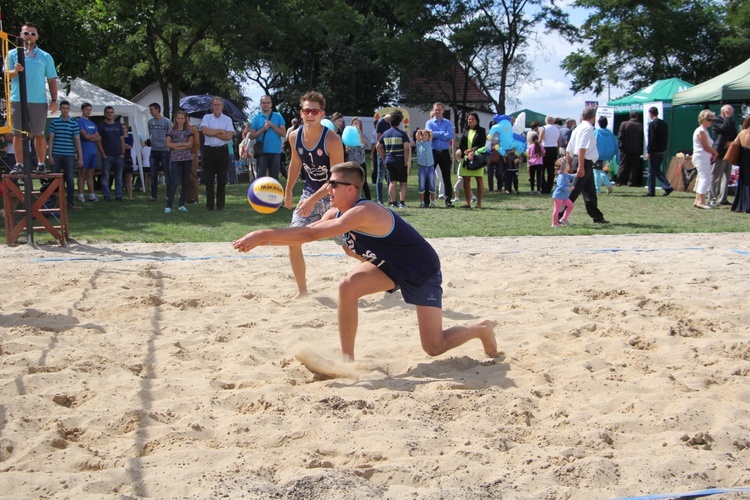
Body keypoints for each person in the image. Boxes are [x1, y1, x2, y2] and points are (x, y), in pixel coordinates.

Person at [233, 162, 499, 362]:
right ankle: (347, 360)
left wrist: (262, 234)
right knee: (347, 286)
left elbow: (310, 233)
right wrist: (259, 240)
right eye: (328, 184)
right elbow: (304, 236)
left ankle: (481, 328)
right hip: (389, 265)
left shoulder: (364, 211)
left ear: (350, 188)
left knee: (433, 347)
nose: (328, 189)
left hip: (420, 269)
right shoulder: (335, 212)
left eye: (333, 184)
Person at [283, 91, 345, 298]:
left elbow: (336, 178)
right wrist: (289, 190)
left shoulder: (333, 140)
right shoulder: (294, 136)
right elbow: (295, 163)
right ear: (301, 113)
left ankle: (388, 271)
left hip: (335, 198)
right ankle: (302, 292)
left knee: (351, 248)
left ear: (322, 114)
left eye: (314, 111)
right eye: (306, 110)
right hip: (309, 193)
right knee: (294, 240)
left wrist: (313, 199)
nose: (310, 114)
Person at [6, 22, 58, 174]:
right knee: (17, 133)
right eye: (26, 33)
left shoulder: (45, 56)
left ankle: (41, 164)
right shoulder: (11, 54)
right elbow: (6, 75)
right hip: (17, 99)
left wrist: (54, 101)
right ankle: (19, 164)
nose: (29, 36)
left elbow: (52, 80)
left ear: (37, 37)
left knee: (39, 134)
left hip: (38, 101)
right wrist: (15, 70)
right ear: (20, 35)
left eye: (33, 34)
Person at [561, 106, 608, 224]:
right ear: (593, 117)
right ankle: (559, 214)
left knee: (590, 191)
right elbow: (582, 148)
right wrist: (580, 167)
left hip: (581, 161)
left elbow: (569, 149)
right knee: (574, 190)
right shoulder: (588, 129)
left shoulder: (578, 128)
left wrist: (570, 164)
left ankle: (597, 216)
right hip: (583, 162)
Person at [200, 96, 235, 211]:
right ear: (211, 106)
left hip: (222, 150)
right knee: (209, 178)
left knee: (222, 179)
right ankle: (209, 205)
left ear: (222, 106)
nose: (217, 107)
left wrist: (212, 133)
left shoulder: (227, 120)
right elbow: (205, 131)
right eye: (214, 105)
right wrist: (220, 131)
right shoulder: (206, 117)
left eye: (218, 105)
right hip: (209, 150)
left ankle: (221, 205)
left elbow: (228, 136)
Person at [47, 100, 83, 209]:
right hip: (56, 153)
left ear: (69, 109)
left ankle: (70, 202)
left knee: (70, 179)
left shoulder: (73, 123)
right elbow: (51, 140)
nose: (65, 110)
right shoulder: (54, 123)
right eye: (63, 108)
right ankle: (52, 202)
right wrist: (50, 155)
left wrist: (80, 157)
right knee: (54, 178)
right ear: (60, 109)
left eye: (67, 108)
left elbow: (77, 141)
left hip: (69, 154)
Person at [377, 109, 411, 208]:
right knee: (403, 182)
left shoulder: (385, 133)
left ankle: (393, 202)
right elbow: (406, 148)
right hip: (400, 160)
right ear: (400, 121)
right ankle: (402, 202)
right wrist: (406, 160)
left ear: (389, 121)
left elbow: (378, 146)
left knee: (392, 182)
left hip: (389, 160)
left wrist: (384, 158)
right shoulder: (403, 134)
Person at [250, 95, 286, 180]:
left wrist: (272, 125)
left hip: (275, 151)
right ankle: (259, 193)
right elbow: (251, 136)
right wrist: (262, 129)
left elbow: (284, 133)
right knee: (260, 178)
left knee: (275, 178)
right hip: (262, 152)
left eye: (268, 103)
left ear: (271, 104)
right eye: (263, 103)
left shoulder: (278, 116)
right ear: (260, 104)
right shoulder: (256, 118)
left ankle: (275, 193)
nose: (266, 104)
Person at [455, 112, 487, 208]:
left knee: (479, 180)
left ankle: (479, 203)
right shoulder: (465, 130)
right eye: (469, 119)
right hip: (466, 157)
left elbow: (482, 144)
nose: (470, 121)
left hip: (477, 157)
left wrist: (472, 150)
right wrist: (466, 151)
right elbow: (462, 144)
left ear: (477, 120)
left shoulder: (481, 130)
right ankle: (467, 202)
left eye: (472, 119)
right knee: (466, 180)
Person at [426, 102, 455, 207]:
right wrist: (442, 133)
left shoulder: (447, 123)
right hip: (432, 152)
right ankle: (427, 200)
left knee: (446, 177)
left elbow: (450, 135)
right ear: (433, 111)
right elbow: (428, 135)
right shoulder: (429, 123)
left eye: (439, 109)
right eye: (435, 110)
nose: (437, 111)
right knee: (429, 176)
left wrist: (435, 134)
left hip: (444, 152)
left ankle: (448, 200)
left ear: (443, 110)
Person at [165, 110, 194, 213]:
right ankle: (169, 205)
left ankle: (181, 204)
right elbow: (168, 144)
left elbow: (190, 144)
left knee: (185, 181)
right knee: (174, 181)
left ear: (185, 119)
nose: (180, 120)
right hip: (175, 159)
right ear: (175, 119)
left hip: (187, 158)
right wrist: (182, 145)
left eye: (182, 118)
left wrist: (176, 146)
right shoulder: (171, 130)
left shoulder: (189, 131)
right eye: (178, 118)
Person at [710, 104, 738, 206]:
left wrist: (732, 142)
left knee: (726, 176)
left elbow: (735, 134)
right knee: (716, 176)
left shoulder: (731, 121)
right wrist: (727, 117)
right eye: (729, 111)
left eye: (732, 112)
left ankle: (723, 198)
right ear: (724, 111)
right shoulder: (716, 120)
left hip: (728, 152)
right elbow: (724, 129)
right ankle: (712, 198)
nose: (731, 114)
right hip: (719, 152)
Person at [96, 106, 125, 201]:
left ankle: (118, 196)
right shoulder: (101, 126)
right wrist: (103, 154)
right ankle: (107, 196)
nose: (110, 114)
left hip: (118, 155)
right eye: (108, 112)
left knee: (119, 178)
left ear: (114, 113)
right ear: (105, 114)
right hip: (107, 155)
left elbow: (122, 139)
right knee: (105, 177)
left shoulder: (118, 125)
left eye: (111, 112)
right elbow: (98, 141)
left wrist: (123, 152)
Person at [691, 110, 718, 210]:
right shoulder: (701, 131)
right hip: (701, 157)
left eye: (712, 119)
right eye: (709, 119)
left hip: (703, 157)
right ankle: (701, 201)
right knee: (705, 178)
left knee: (702, 178)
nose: (711, 121)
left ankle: (698, 200)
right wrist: (715, 153)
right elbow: (705, 146)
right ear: (702, 119)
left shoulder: (704, 130)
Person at [645, 107, 674, 197]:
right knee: (657, 170)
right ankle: (667, 186)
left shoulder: (652, 124)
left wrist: (648, 151)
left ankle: (651, 191)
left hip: (655, 150)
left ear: (650, 114)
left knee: (651, 172)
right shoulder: (663, 124)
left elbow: (651, 138)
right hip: (662, 150)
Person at [147, 103, 171, 201]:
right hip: (154, 150)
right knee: (153, 174)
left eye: (152, 109)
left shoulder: (167, 122)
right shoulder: (150, 122)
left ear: (157, 109)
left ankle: (169, 195)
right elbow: (149, 134)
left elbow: (170, 135)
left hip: (164, 150)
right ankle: (154, 196)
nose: (150, 112)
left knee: (167, 173)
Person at [77, 103, 100, 202]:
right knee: (82, 172)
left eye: (90, 109)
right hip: (84, 150)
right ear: (82, 110)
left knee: (91, 173)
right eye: (86, 109)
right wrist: (92, 137)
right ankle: (81, 195)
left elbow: (98, 138)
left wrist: (91, 137)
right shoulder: (79, 121)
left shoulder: (92, 123)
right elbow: (85, 136)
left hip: (93, 151)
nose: (88, 111)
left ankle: (92, 194)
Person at [344, 117, 371, 200]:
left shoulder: (363, 136)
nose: (354, 125)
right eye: (353, 123)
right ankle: (350, 198)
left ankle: (368, 199)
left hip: (361, 162)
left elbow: (363, 145)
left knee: (363, 182)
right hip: (350, 163)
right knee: (350, 182)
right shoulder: (348, 136)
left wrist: (359, 132)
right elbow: (346, 150)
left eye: (356, 123)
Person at [617, 111, 644, 187]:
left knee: (623, 165)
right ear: (637, 117)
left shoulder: (624, 124)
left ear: (629, 116)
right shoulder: (641, 125)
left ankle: (619, 182)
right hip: (637, 148)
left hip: (625, 148)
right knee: (634, 167)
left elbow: (620, 136)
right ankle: (631, 182)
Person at [593, 116, 618, 195]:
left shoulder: (596, 132)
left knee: (597, 171)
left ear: (599, 123)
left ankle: (599, 189)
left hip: (597, 155)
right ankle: (602, 188)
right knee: (599, 170)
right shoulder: (610, 133)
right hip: (607, 155)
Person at [731, 115, 750, 214]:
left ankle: (740, 205)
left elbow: (735, 143)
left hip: (743, 158)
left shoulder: (742, 132)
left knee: (743, 181)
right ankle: (748, 206)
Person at [538, 116, 561, 194]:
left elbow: (540, 139)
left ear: (546, 121)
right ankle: (549, 187)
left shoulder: (543, 128)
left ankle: (543, 186)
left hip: (545, 149)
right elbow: (559, 142)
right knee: (551, 170)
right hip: (553, 149)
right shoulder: (557, 129)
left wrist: (538, 149)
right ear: (553, 121)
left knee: (541, 169)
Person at [373, 114, 392, 204]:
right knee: (380, 176)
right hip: (381, 152)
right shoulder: (381, 123)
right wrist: (382, 156)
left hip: (390, 153)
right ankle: (380, 199)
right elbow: (378, 141)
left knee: (389, 177)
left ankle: (390, 198)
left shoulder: (391, 123)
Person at [552, 159, 575, 227]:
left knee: (571, 206)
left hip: (564, 196)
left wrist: (577, 174)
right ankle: (554, 224)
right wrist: (569, 188)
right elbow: (561, 186)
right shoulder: (561, 176)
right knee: (557, 209)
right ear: (563, 167)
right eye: (567, 165)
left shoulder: (566, 174)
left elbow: (571, 176)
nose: (569, 165)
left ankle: (564, 219)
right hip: (558, 196)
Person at [415, 129, 436, 208]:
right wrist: (419, 131)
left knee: (432, 184)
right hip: (422, 167)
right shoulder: (419, 144)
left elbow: (431, 132)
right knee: (421, 185)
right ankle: (422, 202)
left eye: (425, 135)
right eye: (422, 135)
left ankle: (433, 202)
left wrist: (427, 131)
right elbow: (417, 135)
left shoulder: (429, 143)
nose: (424, 136)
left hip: (430, 166)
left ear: (428, 137)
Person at [122, 124, 135, 200]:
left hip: (128, 159)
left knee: (128, 178)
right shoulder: (117, 138)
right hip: (120, 157)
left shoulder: (130, 138)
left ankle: (130, 196)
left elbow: (130, 147)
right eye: (122, 128)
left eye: (125, 128)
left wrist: (122, 145)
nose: (123, 129)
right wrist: (124, 145)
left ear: (127, 129)